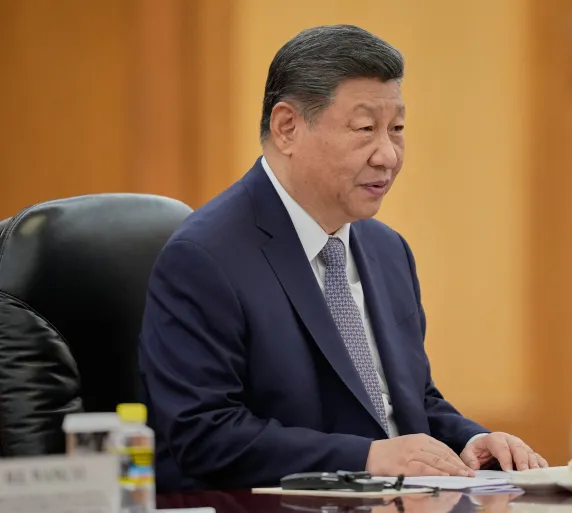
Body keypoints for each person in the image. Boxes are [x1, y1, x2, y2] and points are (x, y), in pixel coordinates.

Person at [139, 24, 547, 492]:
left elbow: (408, 402)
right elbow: (204, 434)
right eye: (365, 129)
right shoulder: (205, 257)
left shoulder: (386, 249)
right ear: (288, 127)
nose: (388, 155)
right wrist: (367, 457)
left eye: (396, 129)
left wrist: (469, 440)